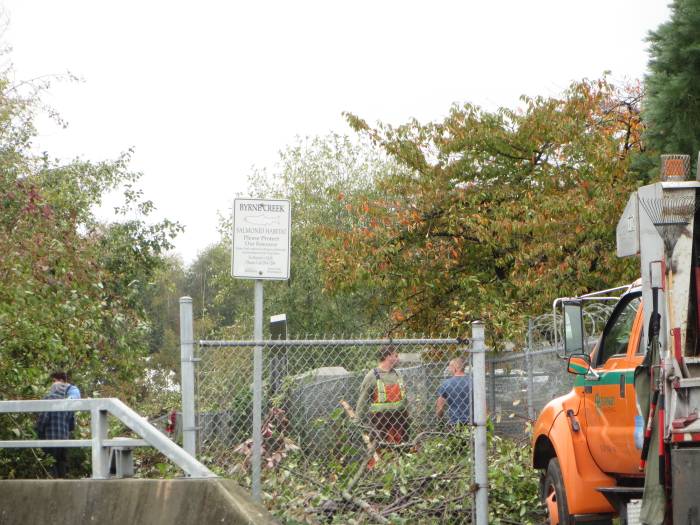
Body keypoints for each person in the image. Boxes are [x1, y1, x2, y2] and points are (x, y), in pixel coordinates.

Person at [355, 345, 410, 444]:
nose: (398, 359)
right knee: (382, 453)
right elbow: (362, 402)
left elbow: (405, 401)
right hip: (381, 425)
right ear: (388, 356)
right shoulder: (372, 376)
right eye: (396, 356)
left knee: (402, 451)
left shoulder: (398, 375)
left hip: (401, 424)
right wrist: (358, 423)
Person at [35, 371, 80, 478]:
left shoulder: (49, 399)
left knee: (51, 463)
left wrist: (38, 430)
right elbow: (71, 423)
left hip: (50, 438)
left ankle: (53, 485)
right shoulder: (66, 402)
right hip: (64, 439)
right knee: (62, 463)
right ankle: (62, 485)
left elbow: (43, 419)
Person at [436, 357, 472, 426]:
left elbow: (440, 407)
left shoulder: (446, 384)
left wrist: (440, 421)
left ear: (455, 367)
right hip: (473, 422)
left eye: (450, 366)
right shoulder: (473, 381)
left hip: (455, 422)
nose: (449, 369)